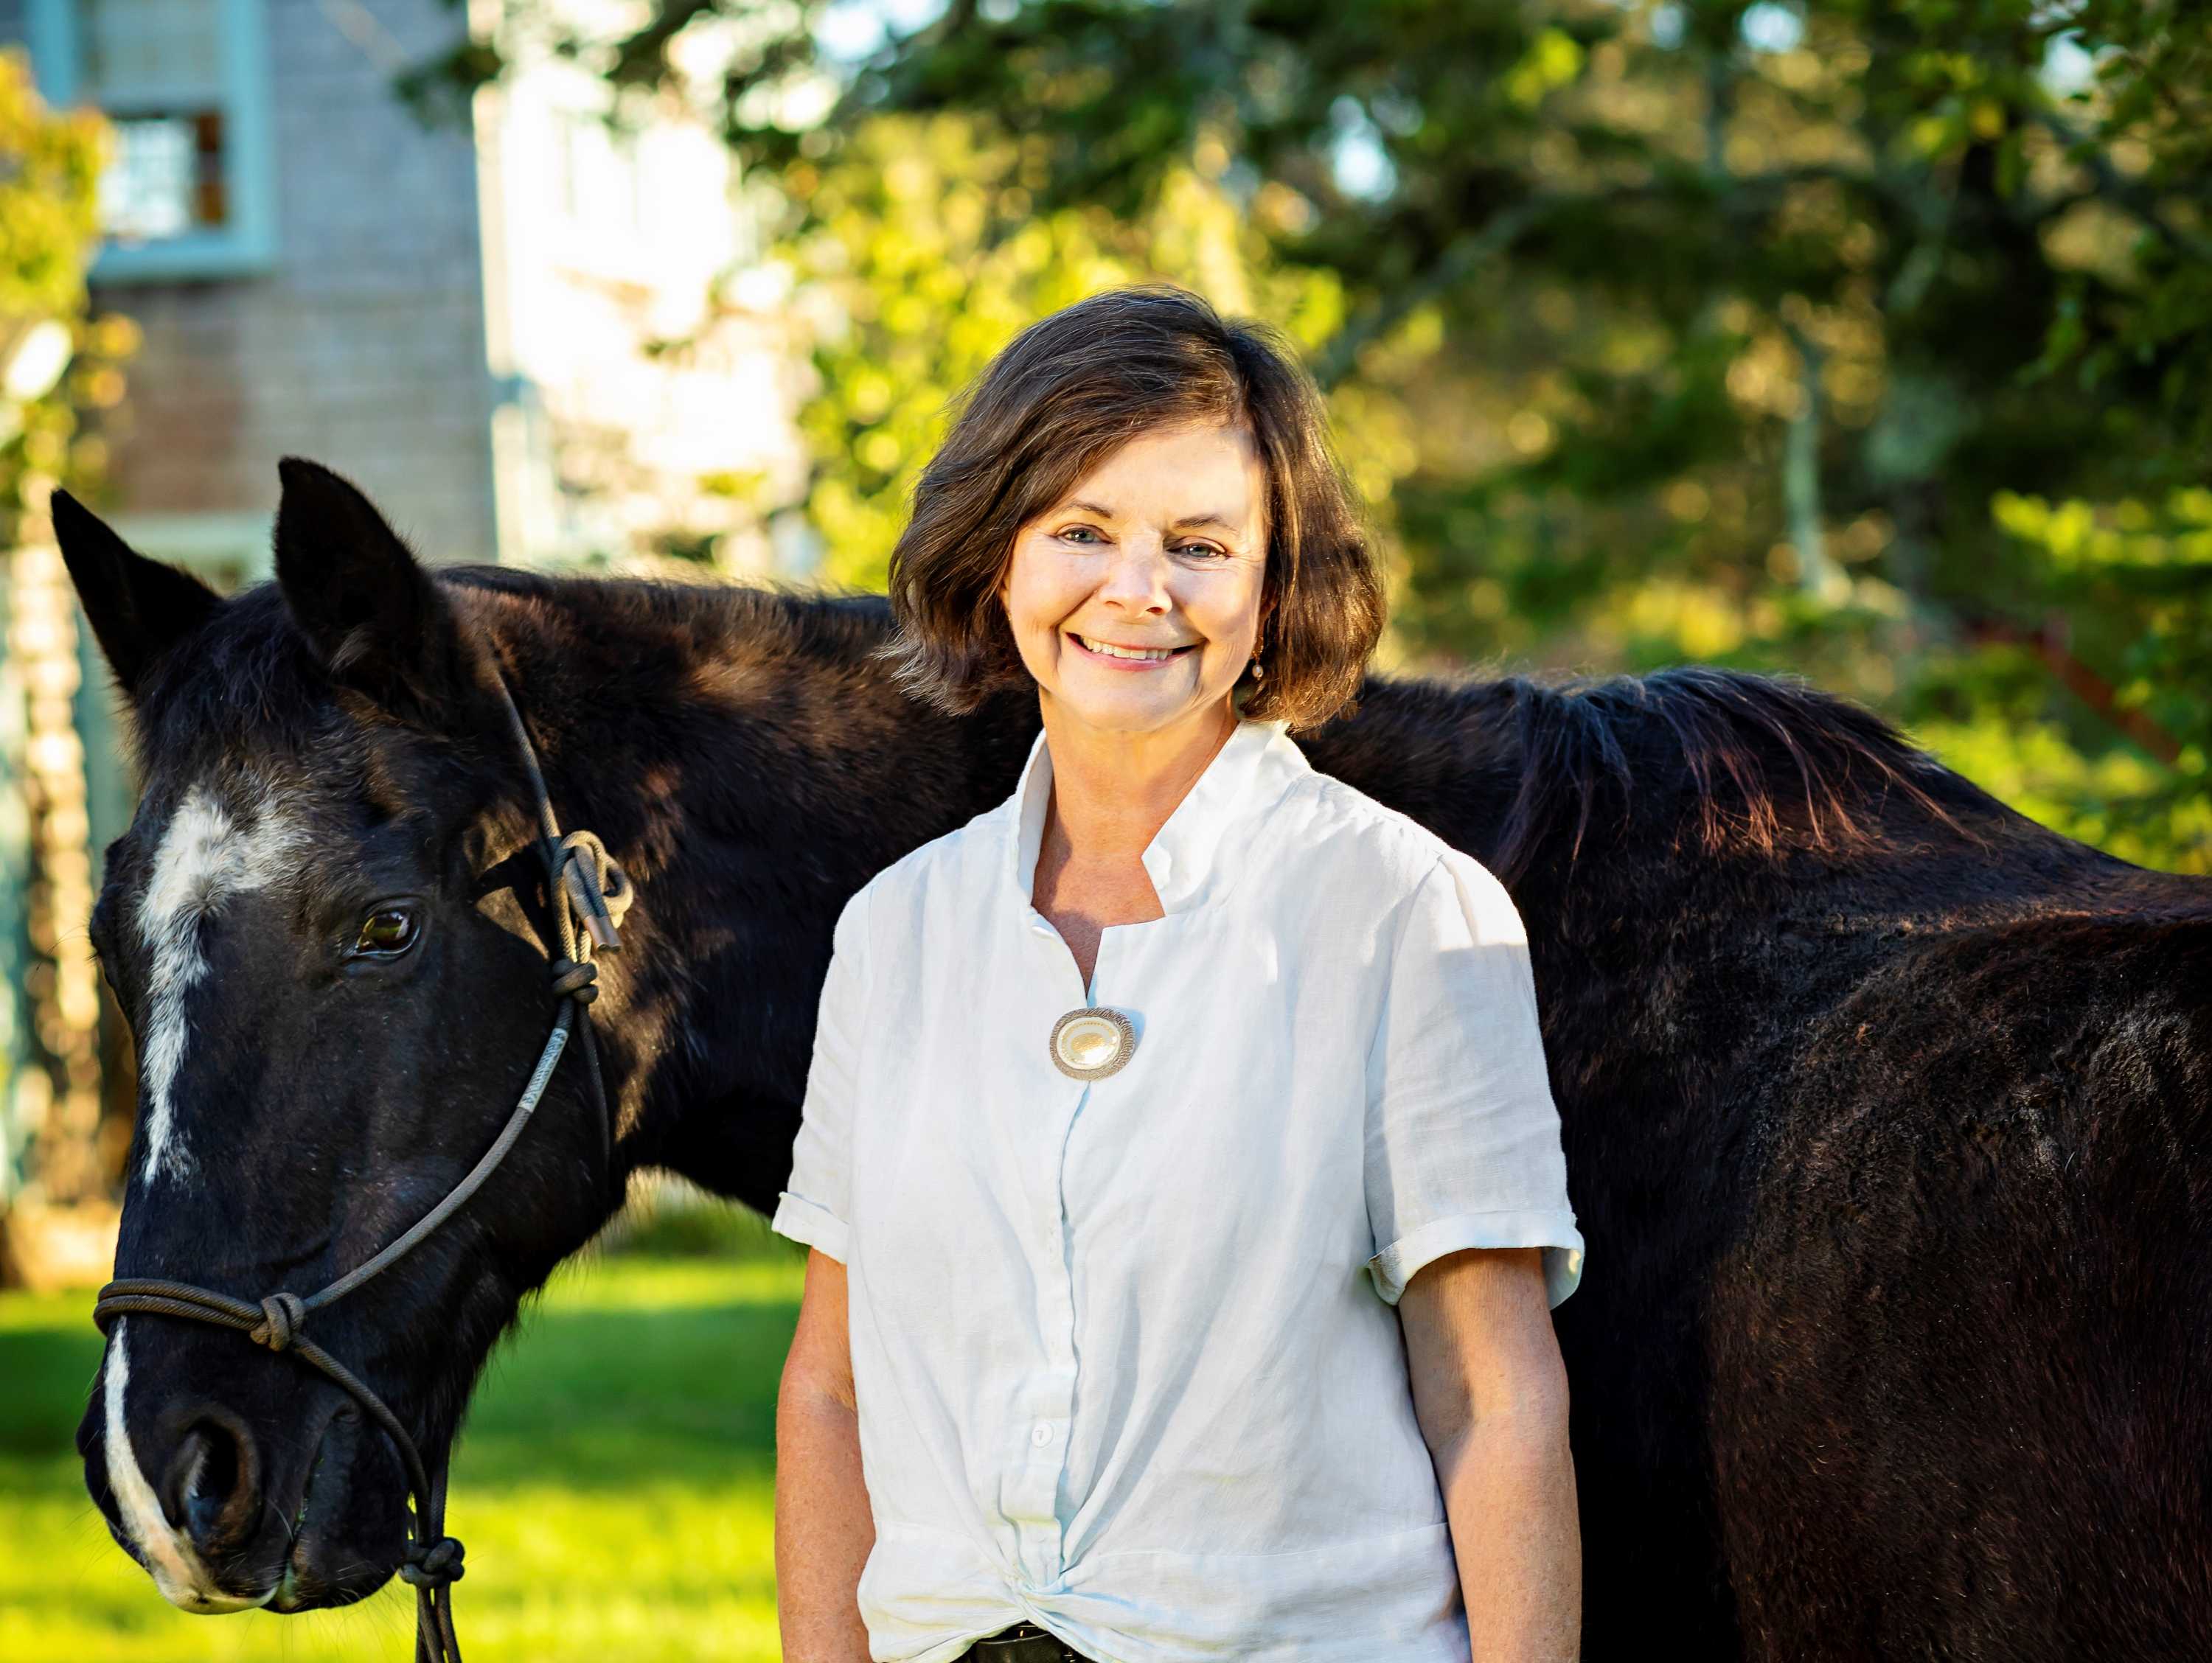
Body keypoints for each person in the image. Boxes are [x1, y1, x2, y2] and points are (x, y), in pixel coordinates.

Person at [771, 285, 1584, 1663]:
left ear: (1274, 594)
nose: (1136, 591)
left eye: (1199, 545)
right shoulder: (895, 930)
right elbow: (835, 1391)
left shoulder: (1404, 913)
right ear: (1000, 563)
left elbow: (1491, 1402)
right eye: (1082, 530)